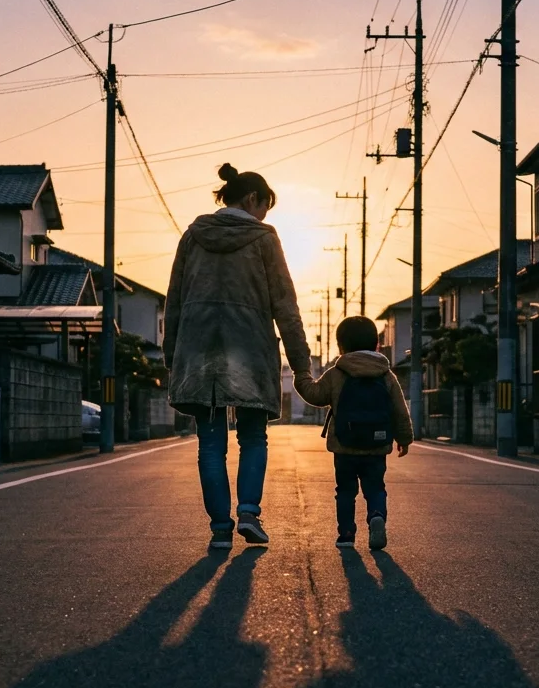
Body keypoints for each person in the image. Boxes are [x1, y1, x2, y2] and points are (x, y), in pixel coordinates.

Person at [164, 163, 313, 550]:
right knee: (253, 437)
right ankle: (248, 512)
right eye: (264, 206)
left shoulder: (193, 237)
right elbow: (285, 303)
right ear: (252, 199)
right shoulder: (264, 238)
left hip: (197, 353)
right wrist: (300, 364)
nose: (264, 215)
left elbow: (174, 301)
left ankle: (219, 529)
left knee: (210, 444)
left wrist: (171, 357)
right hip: (250, 351)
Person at [293, 316, 413, 550]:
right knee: (375, 487)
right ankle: (376, 514)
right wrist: (405, 438)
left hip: (344, 447)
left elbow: (315, 395)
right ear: (376, 344)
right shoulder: (386, 375)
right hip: (377, 447)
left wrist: (301, 375)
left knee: (345, 491)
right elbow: (400, 410)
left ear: (341, 346)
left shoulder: (336, 373)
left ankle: (346, 533)